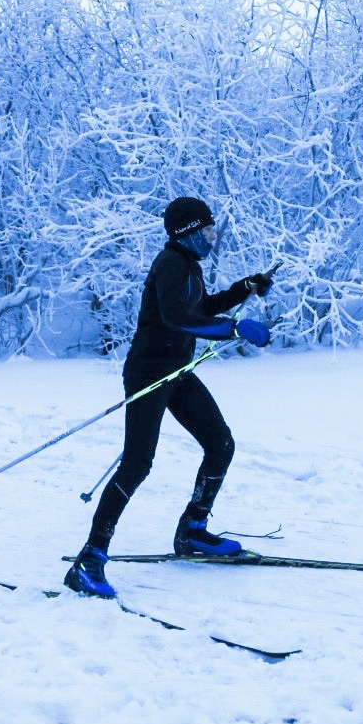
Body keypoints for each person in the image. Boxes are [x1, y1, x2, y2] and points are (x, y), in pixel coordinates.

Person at [65, 196, 274, 599]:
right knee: (137, 464)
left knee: (220, 444)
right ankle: (89, 559)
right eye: (208, 230)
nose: (213, 236)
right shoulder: (170, 265)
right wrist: (234, 329)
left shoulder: (190, 267)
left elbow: (201, 307)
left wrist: (241, 289)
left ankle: (193, 531)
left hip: (177, 373)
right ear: (189, 233)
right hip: (148, 374)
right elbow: (178, 318)